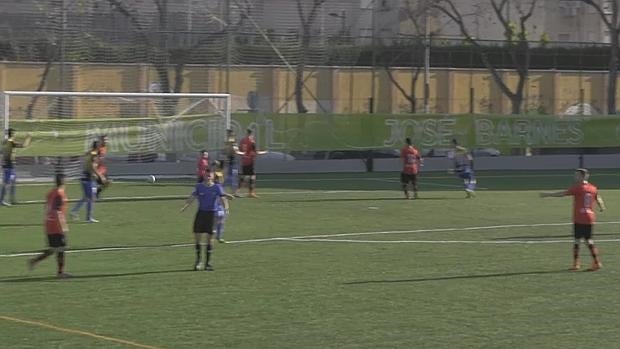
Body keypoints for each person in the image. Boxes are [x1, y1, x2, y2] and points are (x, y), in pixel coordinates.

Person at [540, 168, 606, 271]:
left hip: (580, 217)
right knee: (589, 240)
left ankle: (576, 264)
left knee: (577, 241)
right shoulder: (593, 188)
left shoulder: (578, 188)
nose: (575, 177)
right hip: (590, 217)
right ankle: (597, 262)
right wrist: (602, 206)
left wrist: (548, 194)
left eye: (577, 175)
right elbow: (598, 197)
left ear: (583, 176)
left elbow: (562, 194)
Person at [180, 172, 229, 271]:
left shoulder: (217, 187)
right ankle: (198, 262)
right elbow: (192, 196)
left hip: (212, 215)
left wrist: (226, 209)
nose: (208, 177)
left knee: (210, 239)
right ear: (204, 176)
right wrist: (185, 206)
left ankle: (208, 263)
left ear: (213, 177)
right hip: (201, 214)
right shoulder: (199, 186)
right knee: (197, 237)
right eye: (206, 175)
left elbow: (223, 197)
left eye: (210, 175)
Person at [28, 173, 71, 278]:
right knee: (61, 248)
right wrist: (63, 226)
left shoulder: (51, 193)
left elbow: (46, 207)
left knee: (53, 249)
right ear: (64, 182)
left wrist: (47, 219)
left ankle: (34, 260)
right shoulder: (60, 195)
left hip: (49, 223)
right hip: (56, 224)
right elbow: (57, 211)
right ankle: (60, 273)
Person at [1, 128, 32, 206]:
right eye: (14, 133)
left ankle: (12, 199)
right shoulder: (11, 143)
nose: (15, 135)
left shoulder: (5, 142)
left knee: (13, 182)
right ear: (12, 134)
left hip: (8, 166)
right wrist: (28, 137)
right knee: (7, 183)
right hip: (9, 166)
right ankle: (2, 200)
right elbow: (24, 145)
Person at [71, 141, 100, 223]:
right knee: (90, 198)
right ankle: (88, 218)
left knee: (86, 197)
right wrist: (99, 175)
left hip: (85, 176)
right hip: (88, 178)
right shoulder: (94, 154)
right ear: (98, 147)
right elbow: (92, 166)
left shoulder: (89, 152)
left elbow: (86, 163)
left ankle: (74, 211)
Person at [212, 161, 234, 243]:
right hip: (214, 202)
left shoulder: (219, 175)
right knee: (215, 220)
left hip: (219, 201)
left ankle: (219, 237)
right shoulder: (212, 175)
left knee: (221, 219)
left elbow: (221, 190)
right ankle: (212, 236)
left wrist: (226, 206)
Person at [222, 129, 239, 195]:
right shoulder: (229, 142)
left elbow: (235, 150)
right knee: (230, 176)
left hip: (233, 160)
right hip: (230, 161)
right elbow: (227, 151)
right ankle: (222, 188)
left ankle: (234, 191)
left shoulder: (232, 142)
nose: (233, 136)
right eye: (231, 134)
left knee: (233, 176)